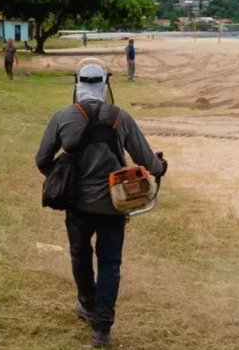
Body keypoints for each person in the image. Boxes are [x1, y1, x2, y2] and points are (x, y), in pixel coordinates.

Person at [35, 62, 167, 348]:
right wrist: (160, 167)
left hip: (77, 205)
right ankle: (102, 330)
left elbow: (42, 159)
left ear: (77, 84)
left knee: (80, 255)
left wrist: (63, 178)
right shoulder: (122, 118)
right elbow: (146, 158)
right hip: (114, 206)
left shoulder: (64, 117)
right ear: (105, 85)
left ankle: (87, 304)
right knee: (109, 264)